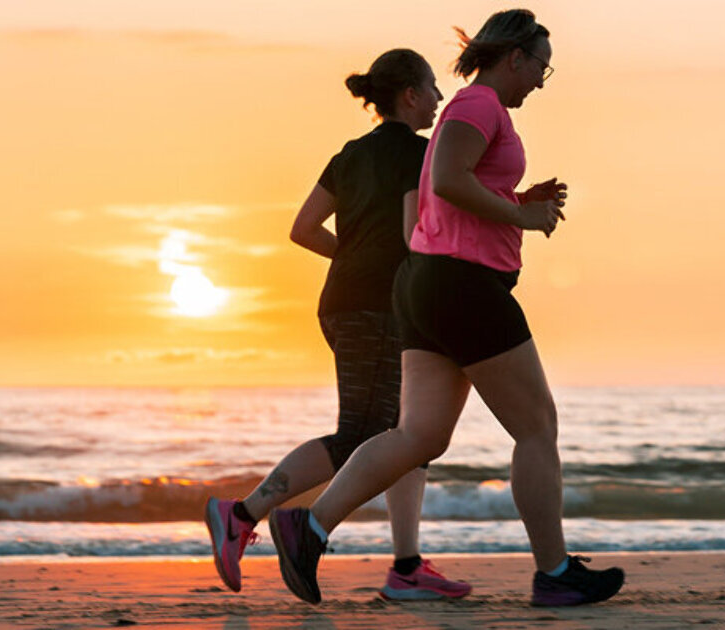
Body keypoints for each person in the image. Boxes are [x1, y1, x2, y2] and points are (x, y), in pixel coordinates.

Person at [267, 10, 625, 607]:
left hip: (428, 285)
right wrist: (521, 216)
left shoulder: (469, 109)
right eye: (541, 65)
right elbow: (449, 179)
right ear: (515, 57)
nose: (541, 79)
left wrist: (513, 196)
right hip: (464, 287)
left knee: (418, 436)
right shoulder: (478, 105)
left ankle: (309, 526)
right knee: (537, 428)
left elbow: (450, 192)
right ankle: (554, 572)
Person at [203, 48, 472, 601]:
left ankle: (407, 566)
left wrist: (350, 258)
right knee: (362, 432)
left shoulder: (348, 155)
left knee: (408, 433)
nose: (440, 100)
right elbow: (408, 237)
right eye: (432, 89)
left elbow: (303, 229)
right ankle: (243, 513)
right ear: (410, 95)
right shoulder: (419, 155)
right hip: (378, 306)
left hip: (346, 301)